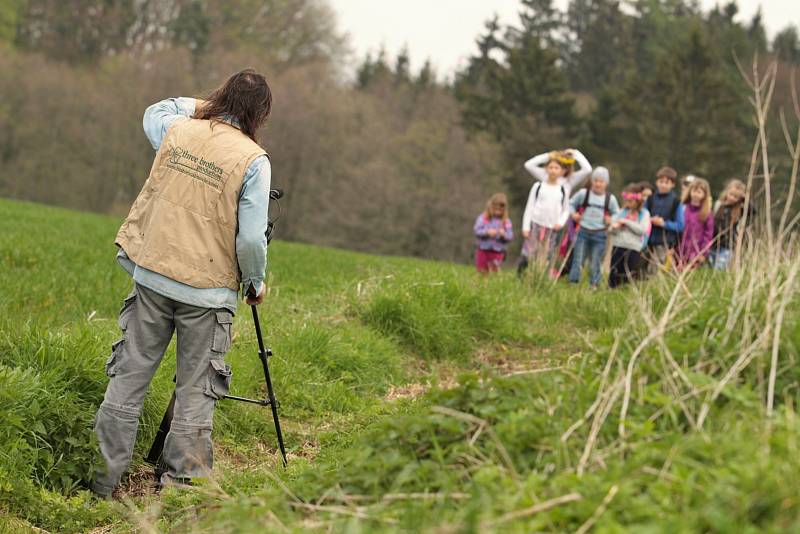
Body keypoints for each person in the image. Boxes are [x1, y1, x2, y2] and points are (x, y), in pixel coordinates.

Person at [92, 69, 273, 497]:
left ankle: (101, 482)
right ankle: (177, 493)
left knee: (128, 379)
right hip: (207, 294)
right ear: (262, 115)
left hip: (152, 276)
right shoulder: (254, 160)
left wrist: (208, 106)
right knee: (196, 392)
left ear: (220, 95)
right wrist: (254, 282)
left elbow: (157, 109)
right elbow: (250, 238)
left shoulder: (177, 129)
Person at [518, 148, 592, 277]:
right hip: (536, 223)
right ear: (546, 169)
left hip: (553, 227)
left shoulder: (566, 184)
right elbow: (529, 165)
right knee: (529, 253)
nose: (553, 170)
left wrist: (575, 154)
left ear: (563, 170)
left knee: (548, 255)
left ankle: (542, 278)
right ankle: (524, 276)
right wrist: (548, 156)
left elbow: (587, 170)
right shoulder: (539, 184)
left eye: (556, 168)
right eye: (550, 167)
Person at [567, 167, 620, 288]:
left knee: (595, 261)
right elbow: (571, 203)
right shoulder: (583, 194)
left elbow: (617, 213)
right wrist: (573, 214)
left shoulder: (610, 199)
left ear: (606, 183)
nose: (598, 184)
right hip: (583, 232)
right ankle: (573, 282)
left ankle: (594, 284)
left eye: (601, 181)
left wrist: (611, 220)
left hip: (600, 234)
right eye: (595, 181)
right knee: (578, 259)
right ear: (592, 181)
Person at [609, 183, 651, 288]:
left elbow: (643, 230)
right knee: (614, 272)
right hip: (618, 246)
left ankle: (625, 292)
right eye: (626, 201)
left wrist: (626, 222)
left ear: (638, 201)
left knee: (628, 274)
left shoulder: (644, 214)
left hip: (633, 248)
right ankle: (611, 291)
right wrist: (616, 227)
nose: (628, 204)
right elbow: (611, 229)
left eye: (631, 201)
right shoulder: (621, 212)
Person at [645, 166, 685, 274]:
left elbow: (680, 226)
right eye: (661, 181)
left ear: (672, 184)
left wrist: (663, 223)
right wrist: (649, 220)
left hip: (664, 243)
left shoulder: (676, 202)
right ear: (656, 182)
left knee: (656, 271)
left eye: (667, 182)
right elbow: (642, 217)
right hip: (646, 242)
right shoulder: (650, 199)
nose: (663, 185)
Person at [710, 179, 753, 270]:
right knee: (711, 268)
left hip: (727, 245)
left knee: (720, 268)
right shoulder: (718, 205)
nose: (732, 198)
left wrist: (744, 198)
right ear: (726, 192)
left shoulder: (739, 210)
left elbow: (753, 211)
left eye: (736, 197)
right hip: (713, 243)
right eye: (731, 194)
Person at [677, 177, 714, 270]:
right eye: (694, 191)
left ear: (704, 195)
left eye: (699, 192)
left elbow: (708, 234)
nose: (696, 194)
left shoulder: (707, 213)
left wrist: (703, 252)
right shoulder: (682, 208)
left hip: (695, 251)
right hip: (680, 249)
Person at [474, 193, 514, 274]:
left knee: (494, 273)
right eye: (495, 208)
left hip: (497, 252)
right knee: (482, 272)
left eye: (500, 209)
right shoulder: (483, 218)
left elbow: (510, 236)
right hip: (483, 250)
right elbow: (476, 230)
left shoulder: (506, 222)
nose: (497, 210)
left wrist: (503, 234)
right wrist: (487, 232)